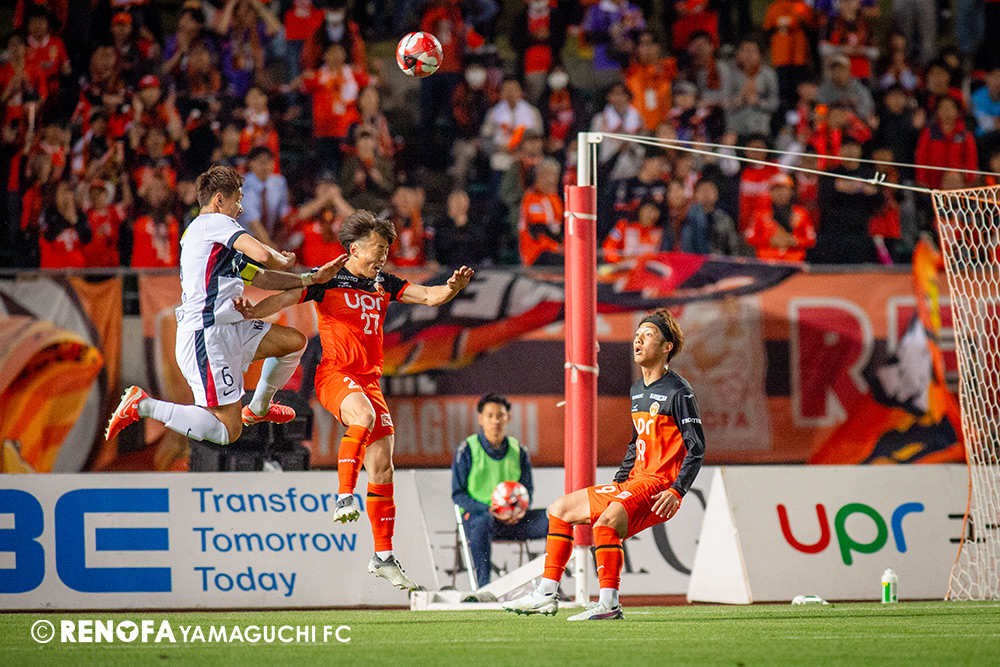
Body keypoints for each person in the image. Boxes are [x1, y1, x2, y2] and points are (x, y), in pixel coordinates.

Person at [232, 210, 475, 591]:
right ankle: (345, 496)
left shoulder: (384, 282)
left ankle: (383, 556)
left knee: (382, 467)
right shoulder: (329, 278)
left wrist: (452, 288)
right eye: (378, 248)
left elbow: (429, 296)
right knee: (361, 416)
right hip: (334, 374)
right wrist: (252, 312)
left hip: (369, 380)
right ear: (355, 249)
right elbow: (287, 296)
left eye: (387, 249)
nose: (384, 255)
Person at [106, 166, 347, 448]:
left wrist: (309, 278)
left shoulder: (214, 240)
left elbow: (262, 277)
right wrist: (281, 259)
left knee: (293, 342)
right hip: (208, 335)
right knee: (227, 431)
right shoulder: (213, 223)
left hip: (229, 327)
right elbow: (262, 255)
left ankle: (258, 408)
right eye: (238, 199)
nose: (241, 208)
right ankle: (143, 405)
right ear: (219, 199)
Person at [503, 308, 705, 620]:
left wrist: (678, 490)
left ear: (667, 347)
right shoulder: (637, 390)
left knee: (605, 523)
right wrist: (620, 481)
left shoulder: (679, 391)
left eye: (648, 335)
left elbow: (697, 446)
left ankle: (609, 604)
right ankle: (545, 593)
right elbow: (636, 442)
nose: (638, 340)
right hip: (635, 482)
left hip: (658, 487)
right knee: (560, 509)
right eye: (637, 335)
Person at [452, 393, 548, 588]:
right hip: (478, 518)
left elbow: (527, 490)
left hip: (514, 520)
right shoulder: (467, 449)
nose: (495, 421)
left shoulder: (519, 450)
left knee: (553, 520)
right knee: (483, 522)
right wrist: (488, 509)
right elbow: (458, 495)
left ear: (508, 417)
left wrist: (518, 511)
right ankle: (485, 588)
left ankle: (549, 585)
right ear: (481, 418)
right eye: (490, 416)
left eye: (500, 415)